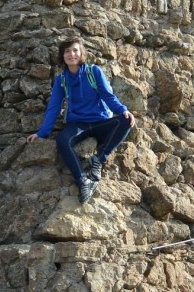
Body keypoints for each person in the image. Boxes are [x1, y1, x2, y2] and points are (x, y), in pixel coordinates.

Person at [26, 37, 135, 205]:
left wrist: (122, 110)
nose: (72, 54)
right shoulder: (61, 81)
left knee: (125, 121)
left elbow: (107, 95)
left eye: (75, 50)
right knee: (63, 140)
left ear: (81, 53)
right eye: (67, 51)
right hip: (78, 124)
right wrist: (42, 132)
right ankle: (83, 181)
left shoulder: (94, 72)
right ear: (62, 56)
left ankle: (99, 159)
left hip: (101, 121)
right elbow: (54, 107)